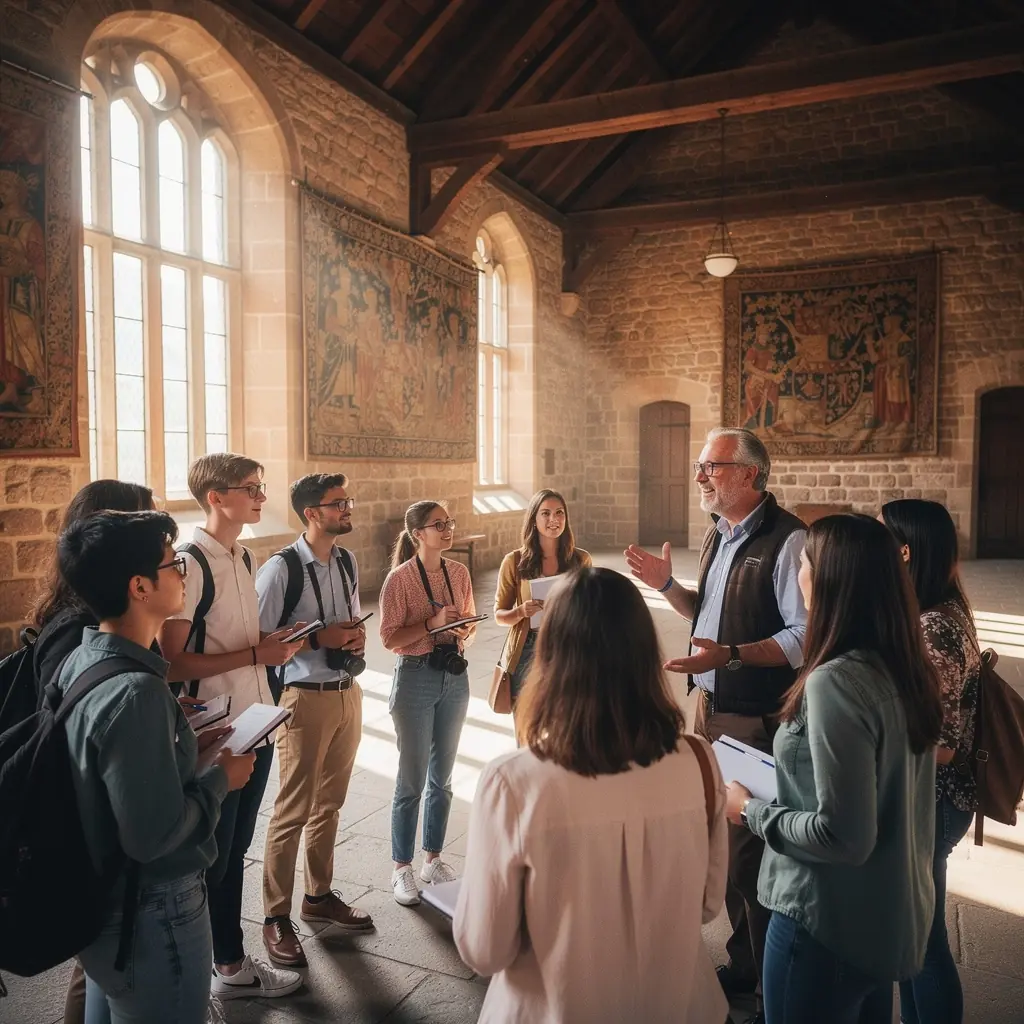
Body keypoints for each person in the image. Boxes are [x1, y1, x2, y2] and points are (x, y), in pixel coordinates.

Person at [454, 567, 728, 1022]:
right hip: (675, 1002)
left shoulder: (513, 782)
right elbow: (706, 904)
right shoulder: (698, 760)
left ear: (551, 656)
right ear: (645, 651)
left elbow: (485, 950)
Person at [725, 514, 943, 1024]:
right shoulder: (900, 665)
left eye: (802, 562)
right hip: (881, 913)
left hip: (822, 917)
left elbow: (844, 835)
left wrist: (751, 810)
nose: (798, 572)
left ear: (826, 579)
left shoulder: (836, 683)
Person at [624, 426, 807, 1024]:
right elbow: (704, 611)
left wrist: (728, 656)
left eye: (712, 466)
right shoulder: (718, 534)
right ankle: (746, 962)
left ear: (751, 473)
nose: (700, 475)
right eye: (701, 466)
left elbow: (802, 639)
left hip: (751, 716)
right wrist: (666, 586)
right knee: (720, 843)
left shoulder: (788, 539)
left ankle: (767, 980)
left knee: (746, 849)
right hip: (709, 705)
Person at [55, 510, 256, 1024]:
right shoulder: (138, 691)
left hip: (107, 899)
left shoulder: (87, 657)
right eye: (173, 566)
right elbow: (153, 835)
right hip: (154, 909)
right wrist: (219, 779)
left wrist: (186, 744)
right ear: (140, 586)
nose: (182, 574)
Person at [160, 454, 304, 1001]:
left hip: (257, 722)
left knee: (233, 851)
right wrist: (253, 651)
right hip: (217, 734)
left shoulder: (243, 556)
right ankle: (219, 968)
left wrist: (274, 641)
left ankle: (225, 962)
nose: (261, 497)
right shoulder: (191, 564)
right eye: (251, 489)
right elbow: (172, 662)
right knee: (212, 858)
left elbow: (242, 646)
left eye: (261, 487)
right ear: (216, 497)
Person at [19, 480, 155, 1024]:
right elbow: (78, 721)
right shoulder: (78, 629)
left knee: (100, 960)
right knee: (98, 957)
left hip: (96, 802)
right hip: (87, 814)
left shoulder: (81, 614)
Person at [255, 473, 373, 967]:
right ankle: (274, 917)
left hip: (347, 692)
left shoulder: (345, 559)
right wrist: (319, 639)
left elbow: (351, 615)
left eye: (347, 501)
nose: (347, 509)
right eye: (337, 504)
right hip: (303, 699)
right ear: (311, 513)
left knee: (331, 804)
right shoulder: (280, 569)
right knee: (292, 809)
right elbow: (260, 646)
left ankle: (318, 897)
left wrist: (354, 640)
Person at [881, 499, 980, 1024]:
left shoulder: (933, 626)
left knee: (924, 944)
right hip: (929, 796)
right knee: (913, 938)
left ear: (903, 550)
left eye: (881, 536)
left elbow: (939, 745)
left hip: (932, 799)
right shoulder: (933, 612)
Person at [379, 500, 476, 907]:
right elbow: (389, 638)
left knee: (444, 777)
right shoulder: (399, 580)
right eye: (439, 524)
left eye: (449, 522)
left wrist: (463, 627)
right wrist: (431, 625)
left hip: (454, 677)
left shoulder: (459, 572)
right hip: (415, 676)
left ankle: (432, 859)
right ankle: (401, 867)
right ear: (418, 533)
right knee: (411, 780)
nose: (447, 529)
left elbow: (468, 622)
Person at [493, 489, 591, 710]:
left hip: (567, 648)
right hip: (527, 648)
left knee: (563, 725)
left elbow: (590, 612)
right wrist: (521, 612)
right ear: (534, 519)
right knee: (526, 727)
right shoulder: (514, 561)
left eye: (559, 513)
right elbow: (499, 615)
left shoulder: (581, 560)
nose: (553, 519)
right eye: (545, 513)